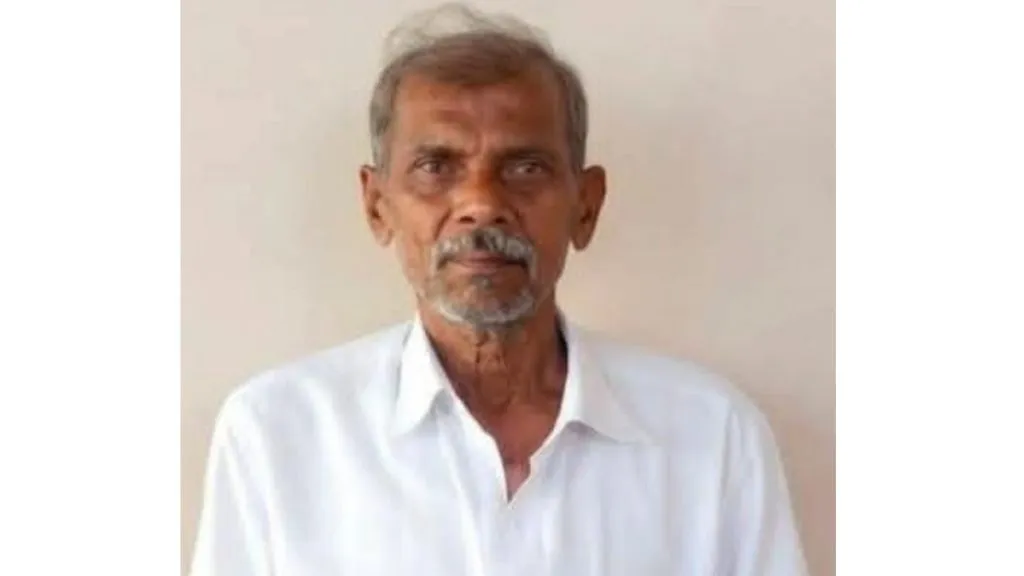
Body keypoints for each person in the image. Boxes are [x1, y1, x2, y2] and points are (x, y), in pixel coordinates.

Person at [189, 4, 808, 575]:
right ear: (377, 206)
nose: (481, 203)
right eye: (436, 167)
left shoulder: (711, 435)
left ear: (586, 206)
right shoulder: (278, 434)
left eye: (525, 167)